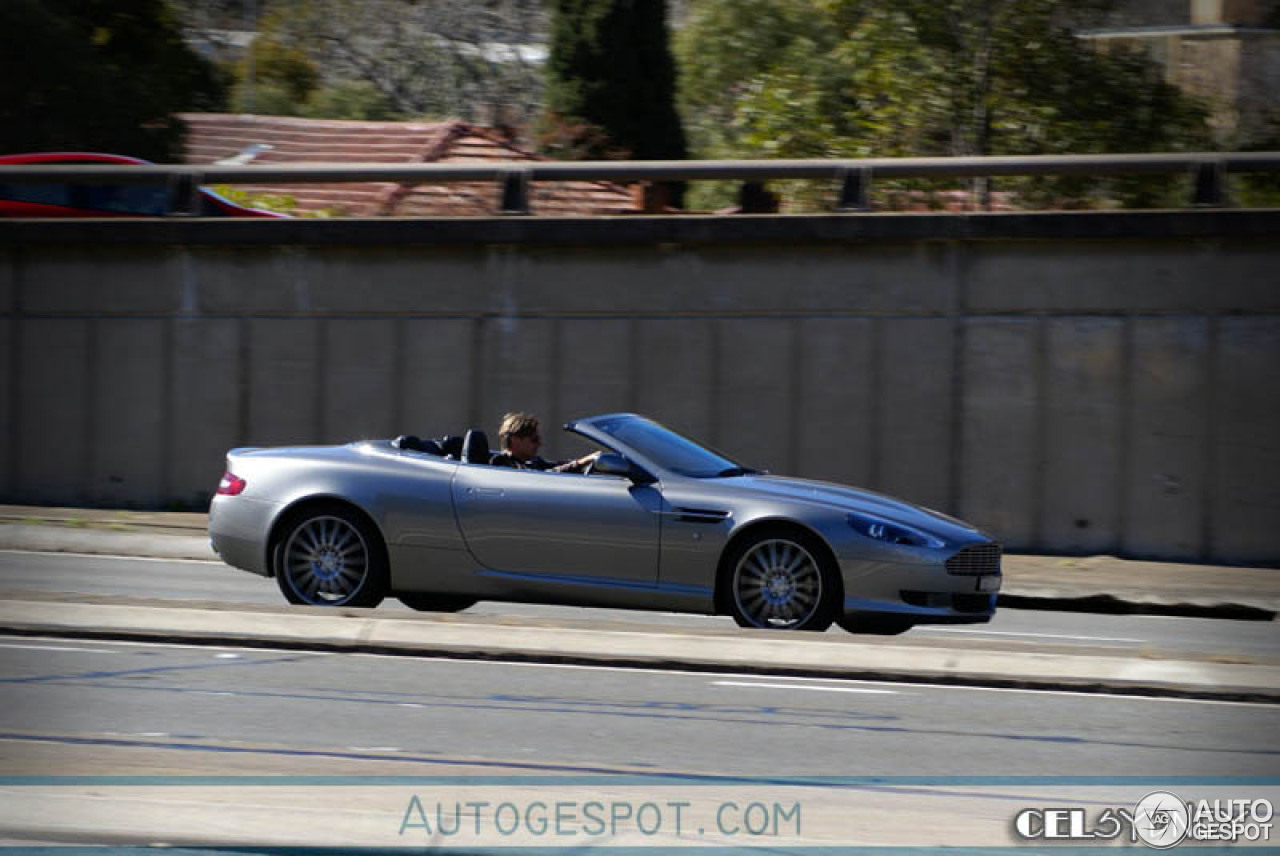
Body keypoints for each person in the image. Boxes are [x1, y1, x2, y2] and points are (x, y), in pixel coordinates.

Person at [491, 412, 598, 473]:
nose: (539, 444)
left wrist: (587, 461)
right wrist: (581, 462)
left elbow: (558, 465)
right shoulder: (502, 464)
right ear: (515, 440)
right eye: (534, 440)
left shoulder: (534, 461)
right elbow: (544, 475)